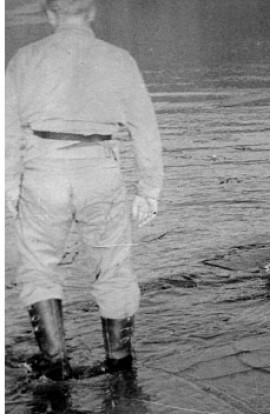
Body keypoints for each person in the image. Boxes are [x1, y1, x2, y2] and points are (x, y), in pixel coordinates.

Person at [5, 0, 163, 380]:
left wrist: (8, 184)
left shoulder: (25, 58)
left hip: (43, 171)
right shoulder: (119, 59)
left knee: (39, 268)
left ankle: (55, 366)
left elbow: (6, 130)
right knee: (114, 269)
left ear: (49, 15)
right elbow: (145, 128)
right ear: (91, 14)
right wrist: (148, 190)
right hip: (100, 170)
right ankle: (120, 365)